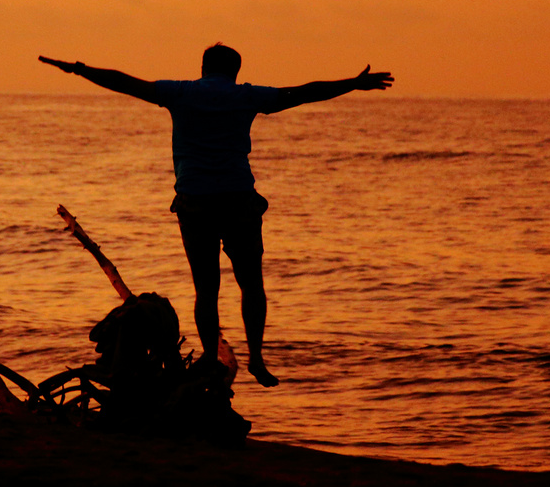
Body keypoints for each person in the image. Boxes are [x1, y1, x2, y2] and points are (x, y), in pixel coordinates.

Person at [39, 45, 393, 387]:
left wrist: (81, 69)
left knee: (206, 288)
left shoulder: (181, 94)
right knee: (251, 283)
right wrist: (352, 83)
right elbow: (302, 93)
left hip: (195, 203)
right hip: (239, 200)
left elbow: (126, 82)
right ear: (236, 71)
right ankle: (256, 356)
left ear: (204, 68)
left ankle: (210, 355)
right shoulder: (246, 96)